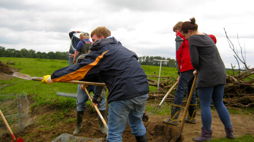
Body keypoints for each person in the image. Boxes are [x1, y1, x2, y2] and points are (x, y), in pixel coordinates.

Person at [42, 26, 149, 142]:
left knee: (114, 134)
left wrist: (53, 77)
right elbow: (105, 74)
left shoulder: (103, 50)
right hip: (142, 91)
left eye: (93, 40)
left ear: (102, 37)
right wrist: (95, 94)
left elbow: (80, 68)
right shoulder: (122, 49)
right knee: (136, 122)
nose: (92, 44)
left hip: (123, 94)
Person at [181, 18, 234, 142]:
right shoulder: (206, 36)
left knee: (205, 105)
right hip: (220, 72)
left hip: (207, 75)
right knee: (219, 102)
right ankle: (230, 131)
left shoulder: (193, 39)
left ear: (189, 31)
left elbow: (194, 60)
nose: (186, 38)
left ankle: (206, 135)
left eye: (185, 35)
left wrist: (197, 69)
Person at [70, 32, 107, 135]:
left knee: (101, 102)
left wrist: (98, 95)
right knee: (80, 102)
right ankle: (78, 126)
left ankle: (102, 126)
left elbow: (102, 76)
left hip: (97, 83)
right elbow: (78, 72)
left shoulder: (101, 59)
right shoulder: (81, 59)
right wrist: (82, 82)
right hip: (83, 82)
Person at [164, 21, 197, 125]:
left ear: (180, 30)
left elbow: (179, 56)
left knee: (180, 91)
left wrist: (179, 72)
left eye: (176, 31)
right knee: (191, 91)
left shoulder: (179, 37)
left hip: (186, 67)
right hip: (194, 67)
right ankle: (191, 117)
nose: (175, 33)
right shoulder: (193, 37)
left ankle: (174, 118)